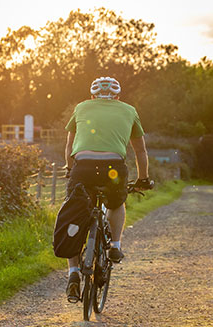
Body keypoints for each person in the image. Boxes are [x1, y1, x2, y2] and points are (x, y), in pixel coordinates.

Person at [61, 76, 152, 302]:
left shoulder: (81, 107)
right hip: (113, 168)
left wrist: (70, 169)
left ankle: (73, 274)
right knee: (116, 203)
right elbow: (140, 151)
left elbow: (70, 145)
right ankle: (115, 246)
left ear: (92, 96)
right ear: (117, 96)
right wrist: (143, 179)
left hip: (83, 167)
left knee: (74, 213)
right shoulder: (129, 110)